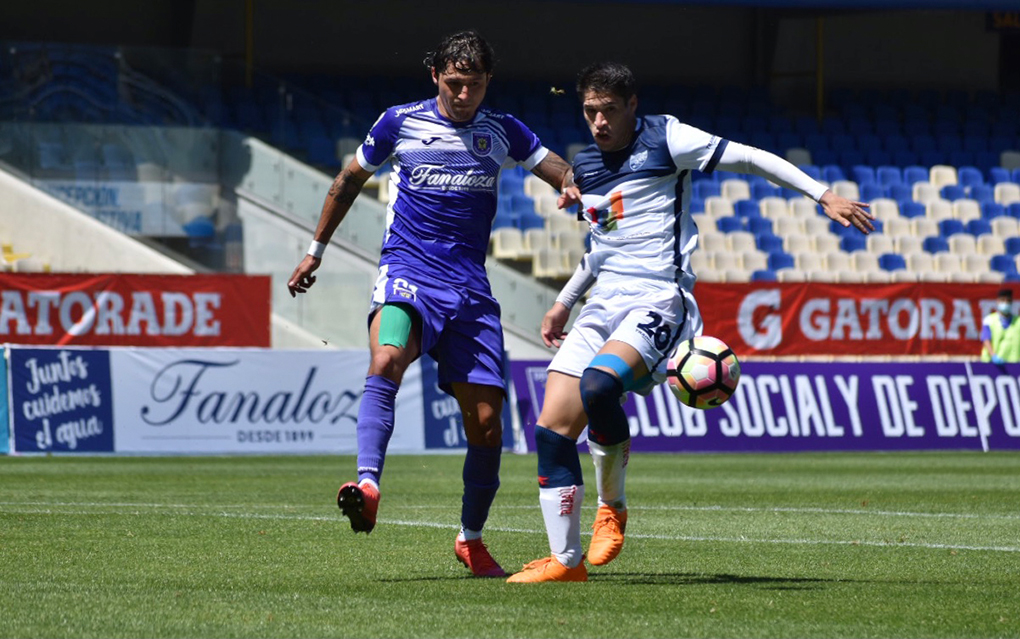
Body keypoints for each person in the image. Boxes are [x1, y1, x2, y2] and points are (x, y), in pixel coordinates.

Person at [507, 62, 874, 583]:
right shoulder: (586, 168)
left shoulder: (666, 138)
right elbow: (601, 249)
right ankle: (565, 563)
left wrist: (823, 195)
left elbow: (750, 158)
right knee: (551, 430)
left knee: (598, 387)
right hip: (602, 303)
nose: (599, 122)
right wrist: (564, 302)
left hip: (658, 298)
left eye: (609, 110)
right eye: (590, 111)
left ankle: (612, 505)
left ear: (632, 105)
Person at [287, 30, 579, 578]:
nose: (463, 93)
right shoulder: (399, 122)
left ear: (488, 81)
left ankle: (470, 538)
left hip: (469, 291)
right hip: (408, 274)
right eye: (453, 82)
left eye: (473, 83)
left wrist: (576, 187)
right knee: (386, 359)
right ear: (435, 77)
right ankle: (368, 484)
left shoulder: (504, 131)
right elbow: (349, 178)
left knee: (488, 427)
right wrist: (315, 250)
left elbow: (555, 167)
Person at [981, 288, 1020, 363]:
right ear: (997, 301)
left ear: (1011, 302)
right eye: (1002, 300)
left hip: (1014, 362)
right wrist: (993, 356)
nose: (1005, 303)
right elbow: (986, 339)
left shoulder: (1018, 321)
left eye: (1008, 301)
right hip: (993, 362)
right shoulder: (989, 320)